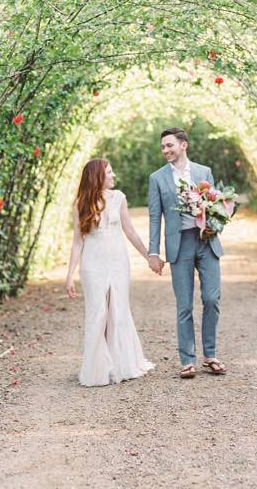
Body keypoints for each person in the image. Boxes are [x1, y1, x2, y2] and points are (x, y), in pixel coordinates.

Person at [65, 158, 154, 386]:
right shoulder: (81, 204)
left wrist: (148, 256)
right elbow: (77, 241)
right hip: (92, 262)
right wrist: (70, 275)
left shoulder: (119, 198)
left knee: (118, 310)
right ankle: (96, 370)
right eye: (109, 172)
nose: (114, 176)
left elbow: (130, 231)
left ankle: (121, 364)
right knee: (97, 313)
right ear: (97, 177)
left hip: (117, 261)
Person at [147, 127, 227, 379]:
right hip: (179, 245)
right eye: (162, 147)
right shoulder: (157, 178)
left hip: (206, 241)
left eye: (169, 145)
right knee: (184, 305)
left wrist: (213, 222)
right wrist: (153, 252)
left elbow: (216, 207)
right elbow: (154, 217)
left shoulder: (204, 172)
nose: (165, 150)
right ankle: (187, 360)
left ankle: (210, 355)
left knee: (212, 299)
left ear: (184, 145)